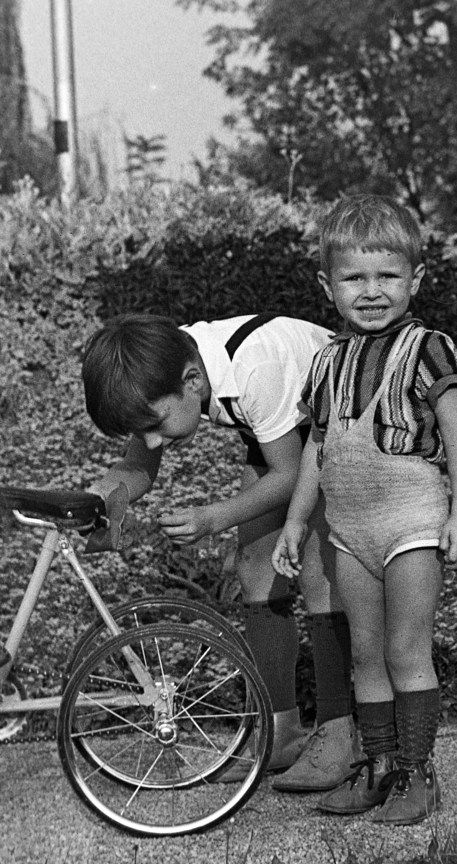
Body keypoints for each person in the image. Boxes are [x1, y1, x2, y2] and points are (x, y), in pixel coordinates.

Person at [80, 312, 362, 791]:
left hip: (345, 426)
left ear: (193, 380)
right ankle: (280, 733)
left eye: (154, 425)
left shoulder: (252, 368)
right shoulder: (161, 371)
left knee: (317, 570)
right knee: (257, 567)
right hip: (285, 432)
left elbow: (289, 476)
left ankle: (340, 736)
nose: (151, 439)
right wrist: (101, 497)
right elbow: (138, 466)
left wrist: (214, 518)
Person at [272, 194, 457, 825]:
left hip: (411, 522)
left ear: (415, 279)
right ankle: (380, 766)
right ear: (326, 286)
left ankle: (417, 773)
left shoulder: (429, 348)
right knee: (364, 654)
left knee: (405, 651)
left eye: (387, 276)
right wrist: (294, 519)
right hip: (350, 532)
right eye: (353, 278)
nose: (371, 291)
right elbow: (316, 446)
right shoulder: (327, 360)